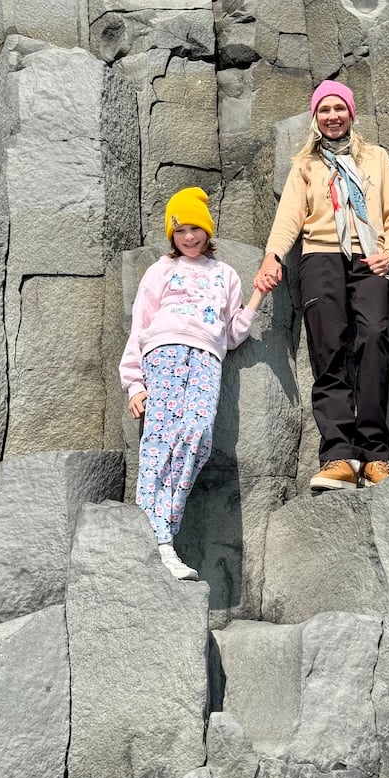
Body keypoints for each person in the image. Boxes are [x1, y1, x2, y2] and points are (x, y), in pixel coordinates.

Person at [255, 81, 389, 492]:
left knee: (374, 340)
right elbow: (289, 219)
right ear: (316, 117)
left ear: (351, 114)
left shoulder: (376, 159)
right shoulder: (305, 165)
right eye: (324, 110)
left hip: (368, 258)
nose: (333, 116)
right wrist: (272, 256)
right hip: (320, 257)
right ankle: (339, 455)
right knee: (328, 350)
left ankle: (375, 456)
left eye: (340, 108)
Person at [120, 187, 268, 579]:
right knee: (159, 440)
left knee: (196, 436)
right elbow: (140, 325)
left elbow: (232, 333)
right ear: (172, 233)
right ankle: (159, 541)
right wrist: (134, 383)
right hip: (164, 352)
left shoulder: (225, 274)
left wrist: (257, 298)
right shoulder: (161, 270)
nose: (189, 237)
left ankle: (162, 528)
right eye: (181, 229)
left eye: (196, 229)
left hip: (206, 358)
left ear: (207, 230)